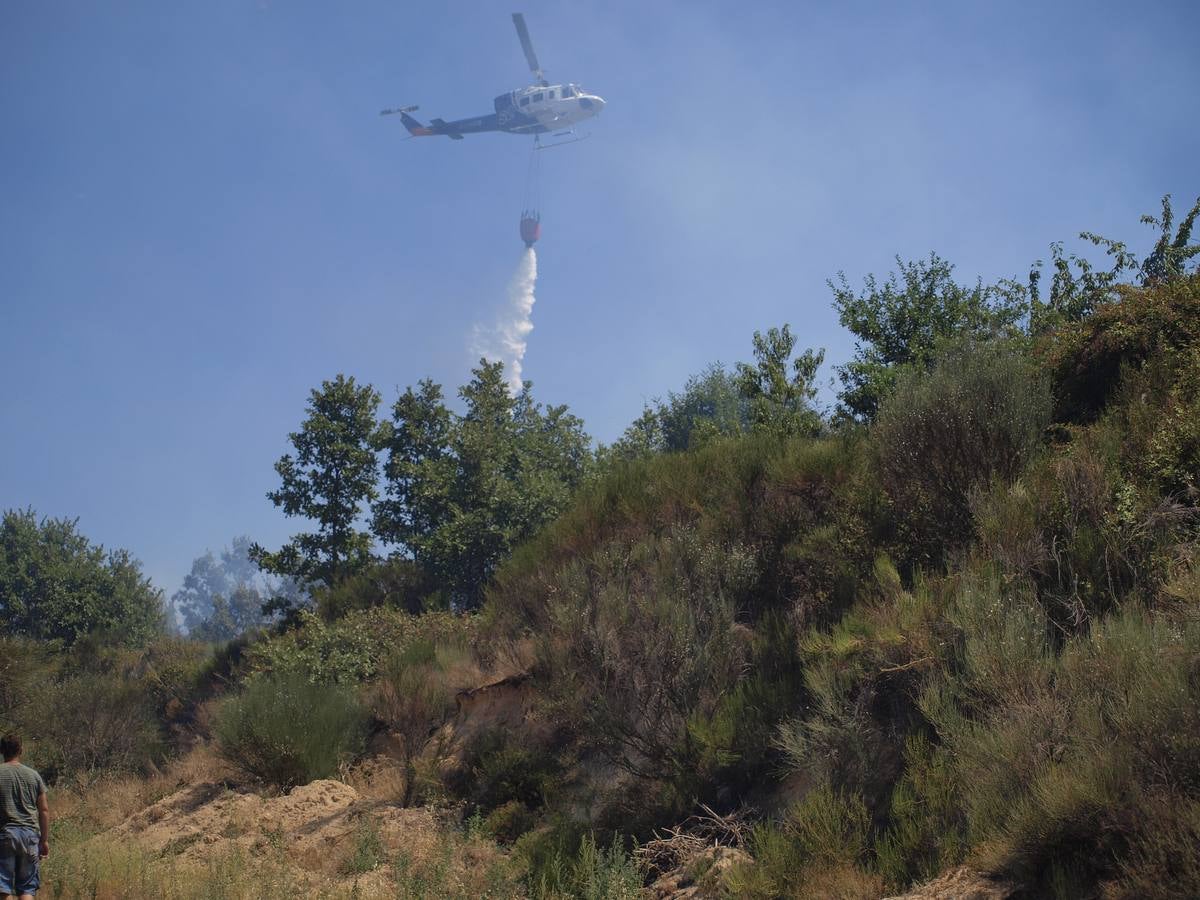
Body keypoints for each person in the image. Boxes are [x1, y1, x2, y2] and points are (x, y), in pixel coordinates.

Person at [0, 734, 48, 900]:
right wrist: (44, 840)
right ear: (21, 750)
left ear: (1, 751)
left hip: (5, 835)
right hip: (30, 836)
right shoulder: (34, 775)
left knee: (3, 887)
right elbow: (44, 810)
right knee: (27, 888)